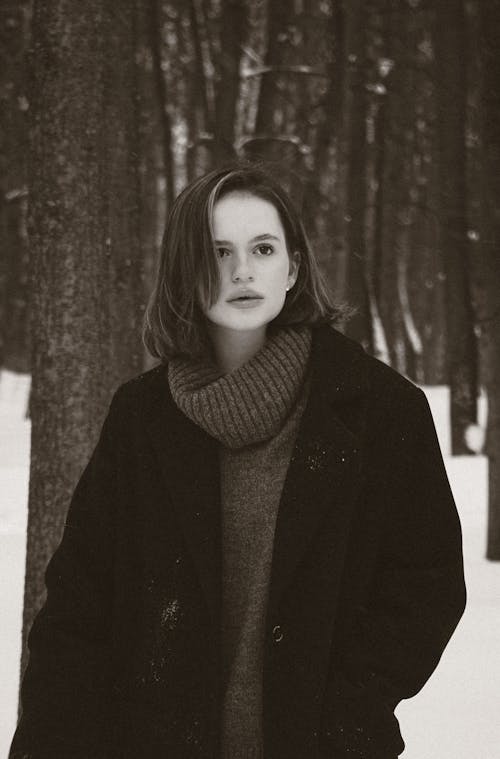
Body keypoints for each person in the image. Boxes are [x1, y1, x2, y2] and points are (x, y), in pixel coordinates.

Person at [10, 163, 466, 759]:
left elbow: (426, 582)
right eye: (216, 252)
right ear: (185, 271)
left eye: (263, 248)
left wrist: (352, 706)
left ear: (293, 268)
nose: (242, 271)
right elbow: (80, 609)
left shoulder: (378, 412)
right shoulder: (141, 418)